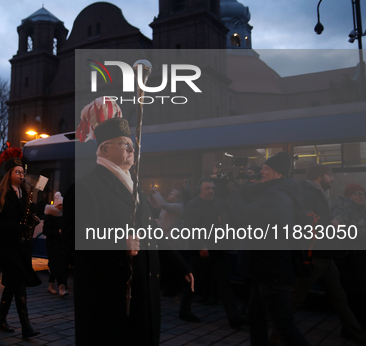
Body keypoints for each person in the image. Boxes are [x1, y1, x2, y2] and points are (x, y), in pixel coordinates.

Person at [74, 117, 193, 345]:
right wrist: (118, 242)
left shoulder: (134, 185)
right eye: (124, 143)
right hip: (113, 298)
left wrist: (179, 265)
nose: (132, 148)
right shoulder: (87, 186)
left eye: (132, 144)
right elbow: (77, 236)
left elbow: (152, 230)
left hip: (144, 292)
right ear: (105, 149)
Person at [287, 164, 366, 346]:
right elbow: (304, 221)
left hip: (325, 255)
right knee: (295, 298)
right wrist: (330, 224)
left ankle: (360, 335)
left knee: (340, 299)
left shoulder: (319, 193)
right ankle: (277, 332)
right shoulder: (308, 194)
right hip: (314, 255)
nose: (333, 178)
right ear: (319, 176)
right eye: (330, 174)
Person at [229, 151, 310, 346]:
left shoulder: (276, 196)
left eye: (266, 169)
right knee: (255, 314)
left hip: (271, 266)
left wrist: (233, 195)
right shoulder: (279, 192)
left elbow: (247, 215)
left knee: (283, 324)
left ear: (279, 173)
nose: (261, 172)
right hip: (266, 266)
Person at [0, 153, 41, 339]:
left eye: (22, 172)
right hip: (8, 247)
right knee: (19, 285)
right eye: (17, 172)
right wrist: (15, 227)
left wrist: (34, 212)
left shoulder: (24, 193)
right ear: (9, 174)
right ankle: (26, 327)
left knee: (11, 284)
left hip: (22, 245)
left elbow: (26, 214)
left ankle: (1, 320)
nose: (22, 175)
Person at [179, 178, 247, 328]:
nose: (211, 191)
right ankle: (184, 310)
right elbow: (191, 227)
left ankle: (234, 318)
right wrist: (201, 245)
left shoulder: (217, 203)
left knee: (224, 284)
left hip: (217, 250)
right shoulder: (193, 205)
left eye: (212, 188)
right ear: (200, 190)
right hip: (201, 251)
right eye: (207, 188)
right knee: (193, 282)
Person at [331, 183, 366, 336]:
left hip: (362, 258)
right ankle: (355, 330)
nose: (361, 196)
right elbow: (338, 229)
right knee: (357, 296)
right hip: (353, 259)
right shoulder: (343, 208)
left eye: (363, 194)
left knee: (363, 294)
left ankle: (358, 328)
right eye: (356, 193)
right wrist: (364, 238)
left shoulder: (357, 209)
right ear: (349, 195)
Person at [43, 191, 70, 297]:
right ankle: (60, 287)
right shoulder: (50, 217)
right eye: (60, 205)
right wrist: (57, 232)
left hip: (63, 244)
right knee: (55, 265)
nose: (61, 207)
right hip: (53, 245)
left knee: (62, 265)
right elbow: (45, 231)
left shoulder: (64, 217)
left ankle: (54, 286)